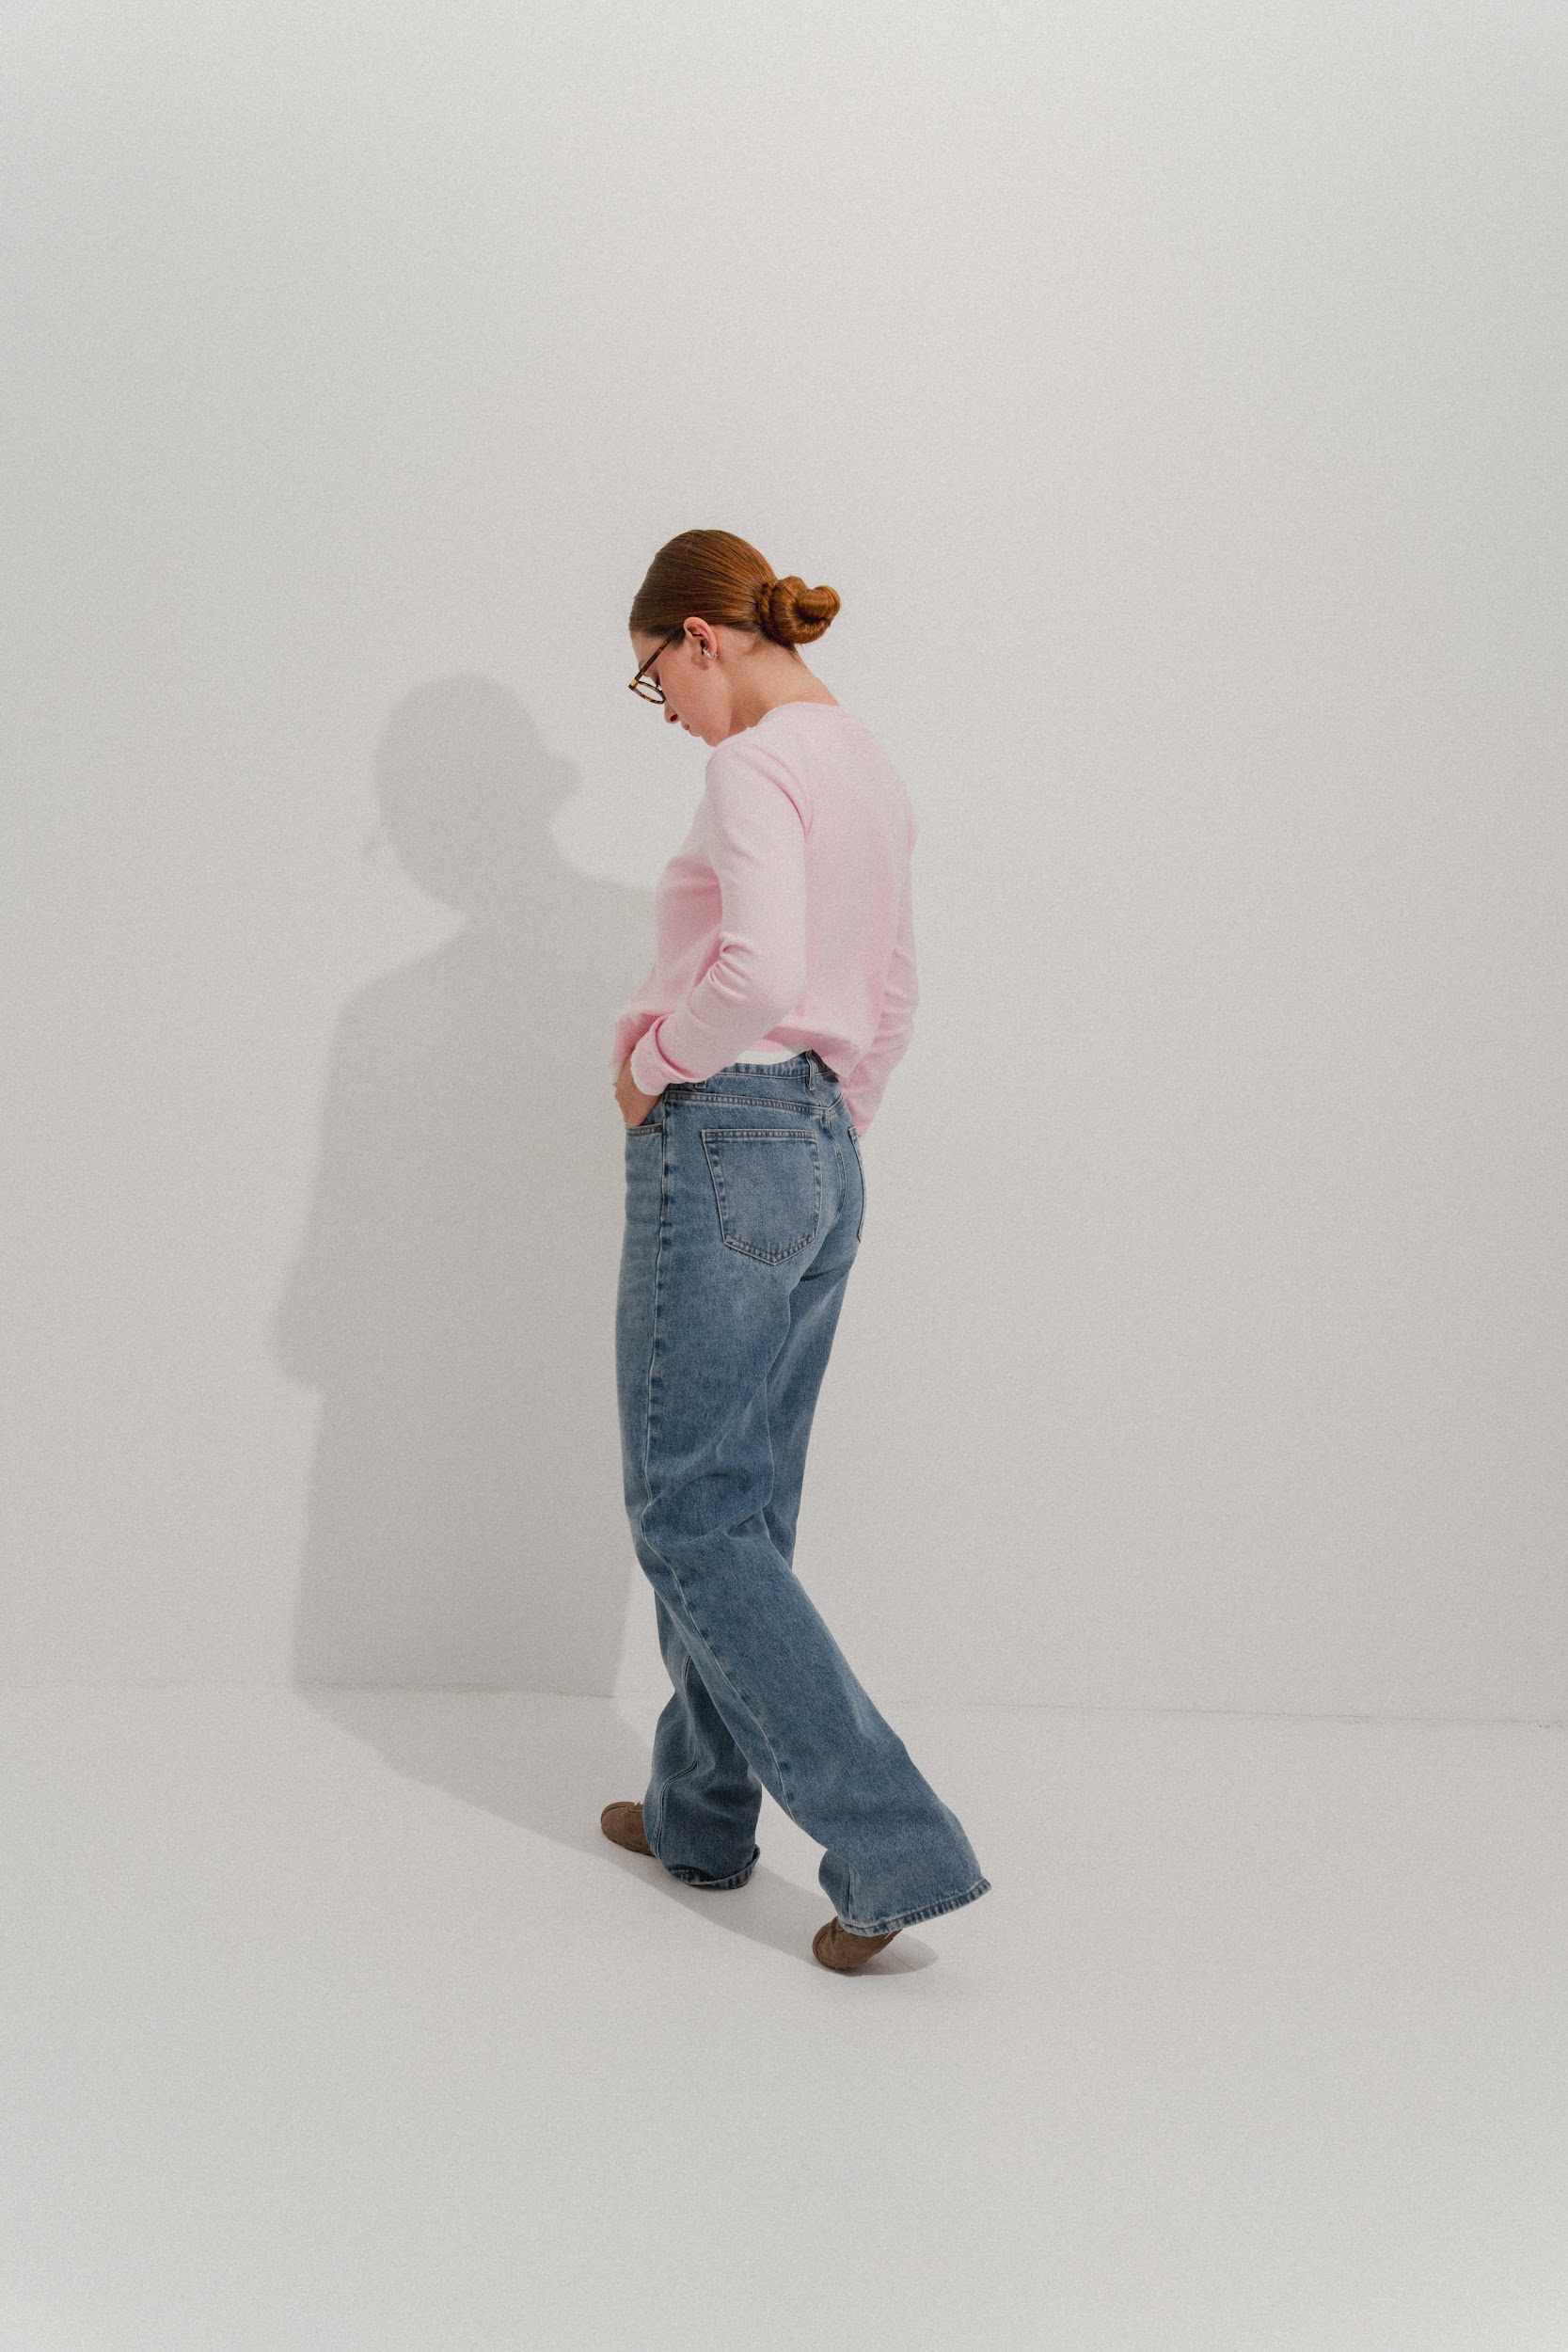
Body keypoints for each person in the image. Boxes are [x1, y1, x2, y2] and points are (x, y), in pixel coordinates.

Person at [603, 528, 991, 1973]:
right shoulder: (869, 766)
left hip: (724, 1129)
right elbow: (892, 989)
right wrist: (833, 1126)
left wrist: (656, 1067)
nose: (666, 710)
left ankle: (898, 1845)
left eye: (656, 679)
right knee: (745, 1508)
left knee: (691, 1515)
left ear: (702, 637)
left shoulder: (752, 764)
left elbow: (756, 966)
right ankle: (700, 1814)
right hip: (821, 1144)